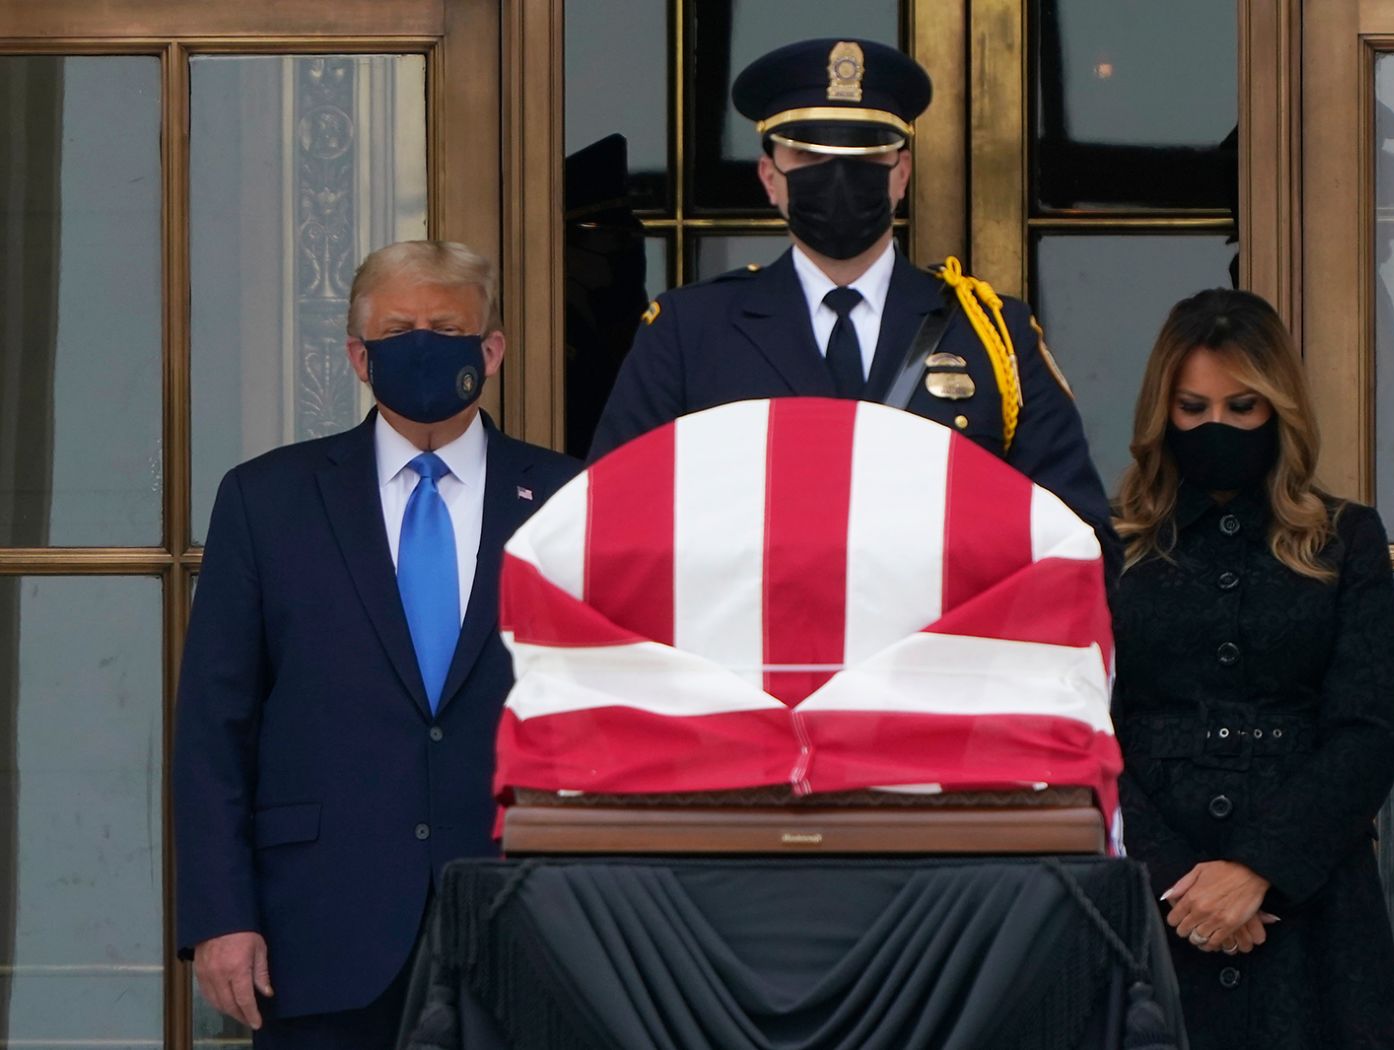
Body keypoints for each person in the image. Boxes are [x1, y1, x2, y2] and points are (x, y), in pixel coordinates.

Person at [173, 241, 580, 1048]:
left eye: (447, 326)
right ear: (359, 357)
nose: (422, 344)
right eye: (398, 331)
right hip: (317, 930)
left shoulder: (572, 497)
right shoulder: (266, 499)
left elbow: (616, 708)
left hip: (530, 920)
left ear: (491, 350)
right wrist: (220, 916)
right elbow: (216, 727)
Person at [589, 37, 1115, 568]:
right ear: (770, 178)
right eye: (810, 154)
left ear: (902, 173)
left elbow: (1077, 539)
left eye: (864, 151)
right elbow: (611, 527)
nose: (839, 172)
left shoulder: (992, 335)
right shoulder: (689, 332)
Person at [1110, 288, 1394, 1048]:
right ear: (1162, 413)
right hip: (1149, 899)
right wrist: (1178, 882)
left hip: (1312, 903)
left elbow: (1368, 727)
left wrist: (1255, 869)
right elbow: (1086, 727)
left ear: (1279, 411)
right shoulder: (1108, 544)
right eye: (1194, 407)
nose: (1220, 426)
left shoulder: (1346, 539)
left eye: (1244, 407)